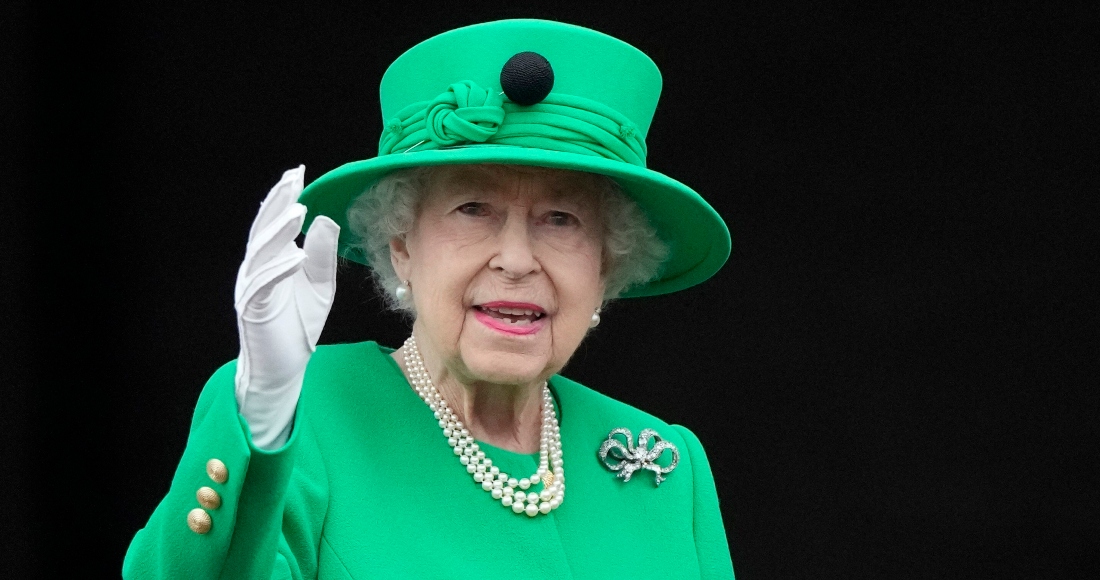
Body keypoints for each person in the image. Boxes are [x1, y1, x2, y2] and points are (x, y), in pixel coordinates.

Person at [123, 18, 735, 579]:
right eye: (473, 209)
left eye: (561, 218)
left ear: (606, 266)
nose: (517, 259)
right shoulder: (302, 419)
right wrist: (261, 422)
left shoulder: (665, 466)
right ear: (401, 247)